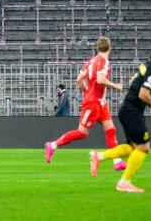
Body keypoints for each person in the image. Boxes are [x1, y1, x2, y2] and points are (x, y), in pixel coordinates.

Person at [90, 40, 151, 193]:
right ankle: (124, 182)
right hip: (132, 111)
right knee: (144, 147)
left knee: (133, 147)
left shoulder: (147, 64)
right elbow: (143, 94)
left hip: (128, 109)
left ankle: (98, 156)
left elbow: (132, 82)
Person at [45, 37, 125, 170]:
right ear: (109, 48)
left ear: (97, 48)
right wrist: (115, 85)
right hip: (93, 102)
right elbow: (100, 79)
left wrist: (87, 90)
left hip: (100, 102)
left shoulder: (91, 61)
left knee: (111, 130)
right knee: (82, 133)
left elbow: (79, 79)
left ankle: (117, 162)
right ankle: (52, 145)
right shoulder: (104, 61)